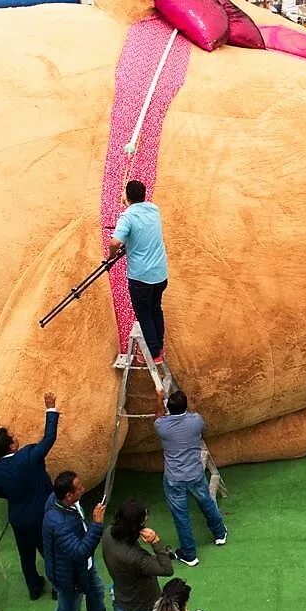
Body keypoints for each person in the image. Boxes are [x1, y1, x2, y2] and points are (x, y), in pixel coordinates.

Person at [0, 392, 59, 600]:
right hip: (42, 515)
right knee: (50, 553)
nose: (17, 437)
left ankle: (34, 589)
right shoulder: (28, 456)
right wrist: (50, 408)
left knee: (26, 555)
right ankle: (56, 588)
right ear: (11, 446)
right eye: (13, 437)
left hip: (18, 518)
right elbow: (49, 438)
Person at [42, 471, 120, 611]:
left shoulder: (60, 501)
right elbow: (79, 552)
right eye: (79, 488)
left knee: (97, 594)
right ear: (68, 495)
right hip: (68, 576)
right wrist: (97, 525)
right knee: (68, 610)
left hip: (84, 568)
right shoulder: (59, 524)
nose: (83, 489)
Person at [155, 389, 228, 566]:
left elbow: (157, 416)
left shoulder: (162, 426)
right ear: (185, 407)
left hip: (174, 478)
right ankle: (219, 534)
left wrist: (158, 397)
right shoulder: (196, 421)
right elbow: (195, 419)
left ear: (169, 409)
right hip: (195, 473)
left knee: (181, 516)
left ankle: (189, 554)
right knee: (206, 502)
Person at [110, 180, 170, 360]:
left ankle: (152, 353)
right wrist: (128, 202)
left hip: (141, 279)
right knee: (155, 309)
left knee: (144, 313)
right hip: (160, 275)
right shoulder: (154, 209)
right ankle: (159, 347)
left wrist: (111, 256)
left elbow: (115, 242)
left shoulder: (127, 217)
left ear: (127, 196)